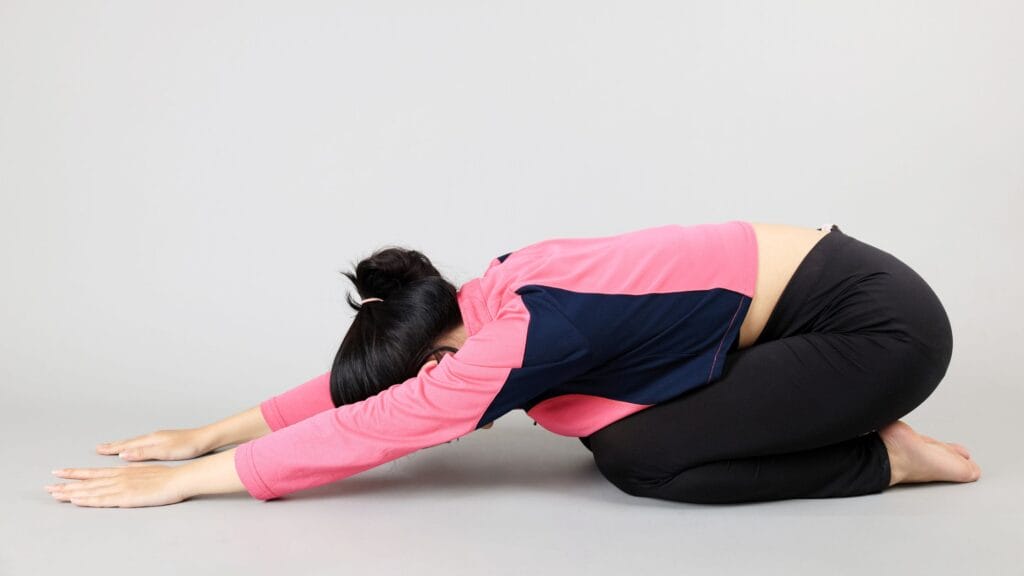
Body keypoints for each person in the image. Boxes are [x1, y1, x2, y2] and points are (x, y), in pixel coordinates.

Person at [46, 221, 980, 508]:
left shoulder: (520, 340)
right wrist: (212, 429)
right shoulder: (485, 295)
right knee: (626, 444)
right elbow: (369, 391)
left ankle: (890, 458)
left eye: (423, 372)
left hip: (877, 330)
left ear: (436, 349)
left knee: (645, 461)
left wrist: (190, 482)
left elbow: (373, 426)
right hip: (801, 319)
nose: (425, 386)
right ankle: (840, 420)